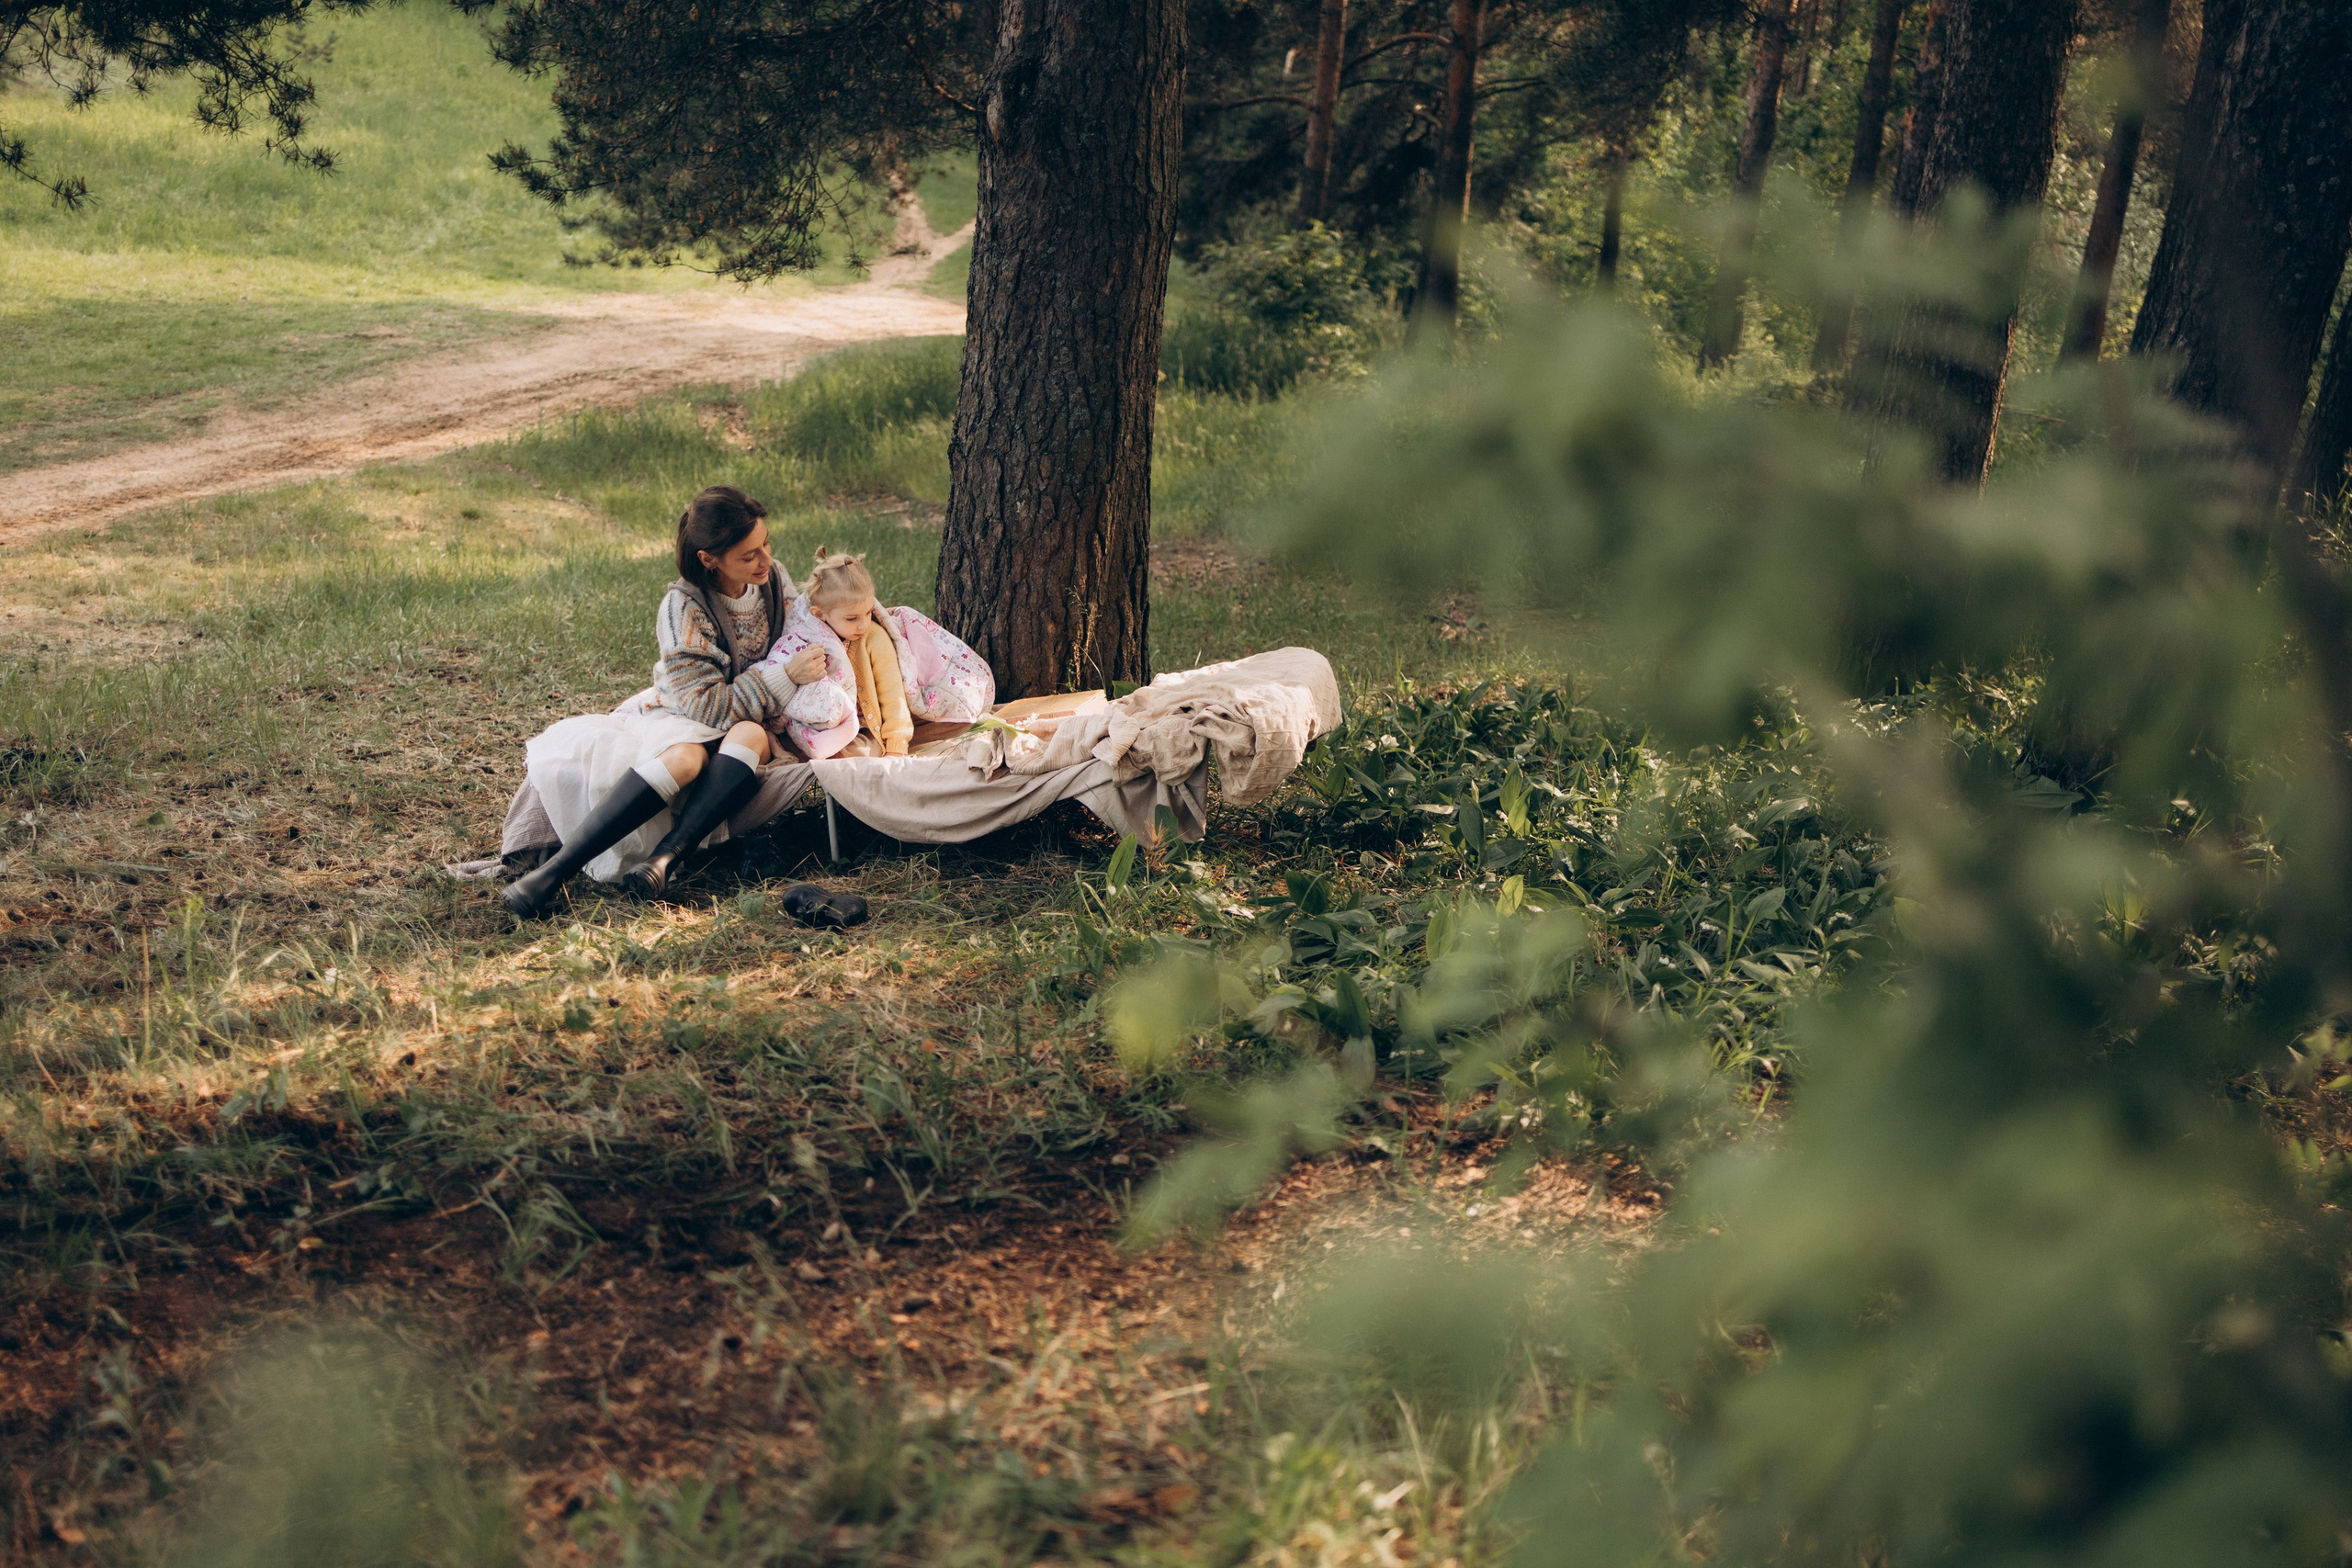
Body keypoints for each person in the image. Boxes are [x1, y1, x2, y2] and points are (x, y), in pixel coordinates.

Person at [502, 486, 827, 917]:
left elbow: (806, 629)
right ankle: (553, 874)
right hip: (683, 710)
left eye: (765, 543)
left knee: (748, 734)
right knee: (685, 761)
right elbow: (706, 709)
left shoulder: (774, 580)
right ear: (709, 558)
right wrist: (783, 677)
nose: (765, 560)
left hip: (749, 718)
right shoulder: (682, 608)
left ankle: (662, 862)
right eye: (748, 555)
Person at [760, 547, 995, 761]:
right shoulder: (804, 639)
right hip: (830, 724)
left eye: (867, 613)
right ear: (819, 614)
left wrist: (896, 746)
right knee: (814, 749)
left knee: (858, 756)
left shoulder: (873, 638)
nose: (862, 624)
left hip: (870, 726)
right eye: (852, 618)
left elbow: (894, 698)